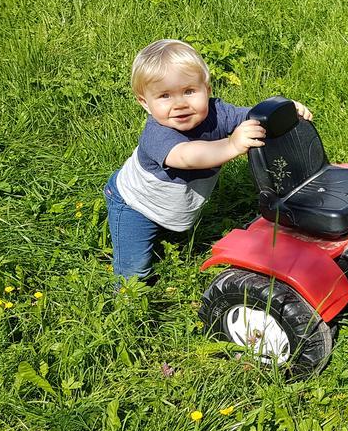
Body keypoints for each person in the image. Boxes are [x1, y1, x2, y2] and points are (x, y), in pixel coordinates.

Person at [103, 39, 312, 283]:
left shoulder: (216, 113)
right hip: (134, 206)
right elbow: (188, 156)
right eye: (164, 96)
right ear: (144, 103)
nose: (180, 104)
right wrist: (231, 145)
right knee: (134, 272)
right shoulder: (156, 135)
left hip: (167, 203)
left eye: (189, 91)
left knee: (168, 234)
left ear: (208, 90)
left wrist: (283, 111)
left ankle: (166, 230)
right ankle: (127, 306)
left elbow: (252, 116)